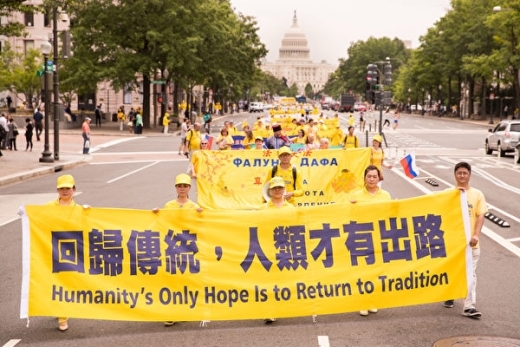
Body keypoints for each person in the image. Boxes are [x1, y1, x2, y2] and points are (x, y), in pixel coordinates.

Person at [153, 173, 202, 327]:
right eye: (179, 186)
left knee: (187, 278)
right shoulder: (169, 206)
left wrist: (202, 215)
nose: (182, 189)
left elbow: (200, 226)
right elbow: (162, 222)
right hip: (172, 246)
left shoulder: (195, 207)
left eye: (185, 186)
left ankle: (187, 308)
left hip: (188, 247)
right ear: (175, 187)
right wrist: (156, 213)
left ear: (189, 188)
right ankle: (171, 312)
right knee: (172, 279)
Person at [443, 162, 487, 319]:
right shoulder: (448, 193)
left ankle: (469, 306)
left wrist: (476, 235)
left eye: (465, 173)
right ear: (455, 175)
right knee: (452, 270)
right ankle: (450, 293)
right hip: (452, 243)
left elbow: (480, 215)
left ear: (470, 175)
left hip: (471, 243)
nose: (462, 175)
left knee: (470, 274)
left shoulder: (477, 194)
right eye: (459, 173)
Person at [45, 174, 87, 331]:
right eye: (62, 188)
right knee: (56, 280)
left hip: (71, 250)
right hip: (52, 248)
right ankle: (62, 313)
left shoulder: (79, 209)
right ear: (57, 190)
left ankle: (62, 313)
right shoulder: (48, 207)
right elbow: (38, 220)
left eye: (68, 188)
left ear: (74, 190)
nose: (65, 191)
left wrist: (89, 213)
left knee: (68, 281)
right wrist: (24, 213)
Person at [349, 165, 391, 316]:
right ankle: (363, 302)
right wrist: (350, 206)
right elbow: (350, 215)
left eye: (374, 176)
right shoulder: (357, 195)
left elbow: (389, 214)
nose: (372, 179)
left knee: (376, 271)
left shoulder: (385, 195)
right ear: (364, 178)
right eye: (369, 176)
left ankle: (372, 301)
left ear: (379, 178)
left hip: (379, 236)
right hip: (362, 236)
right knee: (363, 271)